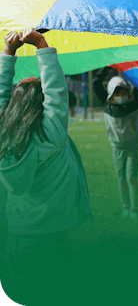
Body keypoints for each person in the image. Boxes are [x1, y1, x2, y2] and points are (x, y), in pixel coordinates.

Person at [0, 29, 92, 304]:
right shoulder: (50, 137)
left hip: (15, 234)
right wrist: (41, 45)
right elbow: (56, 93)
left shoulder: (4, 138)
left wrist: (9, 54)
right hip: (50, 239)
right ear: (40, 108)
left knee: (21, 295)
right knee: (50, 297)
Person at [92, 66, 138, 220]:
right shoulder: (108, 104)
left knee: (131, 177)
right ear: (111, 93)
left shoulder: (133, 103)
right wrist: (107, 67)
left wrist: (129, 68)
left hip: (133, 147)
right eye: (117, 92)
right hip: (117, 147)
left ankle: (134, 209)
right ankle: (125, 207)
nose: (120, 95)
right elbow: (96, 83)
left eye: (123, 91)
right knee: (121, 178)